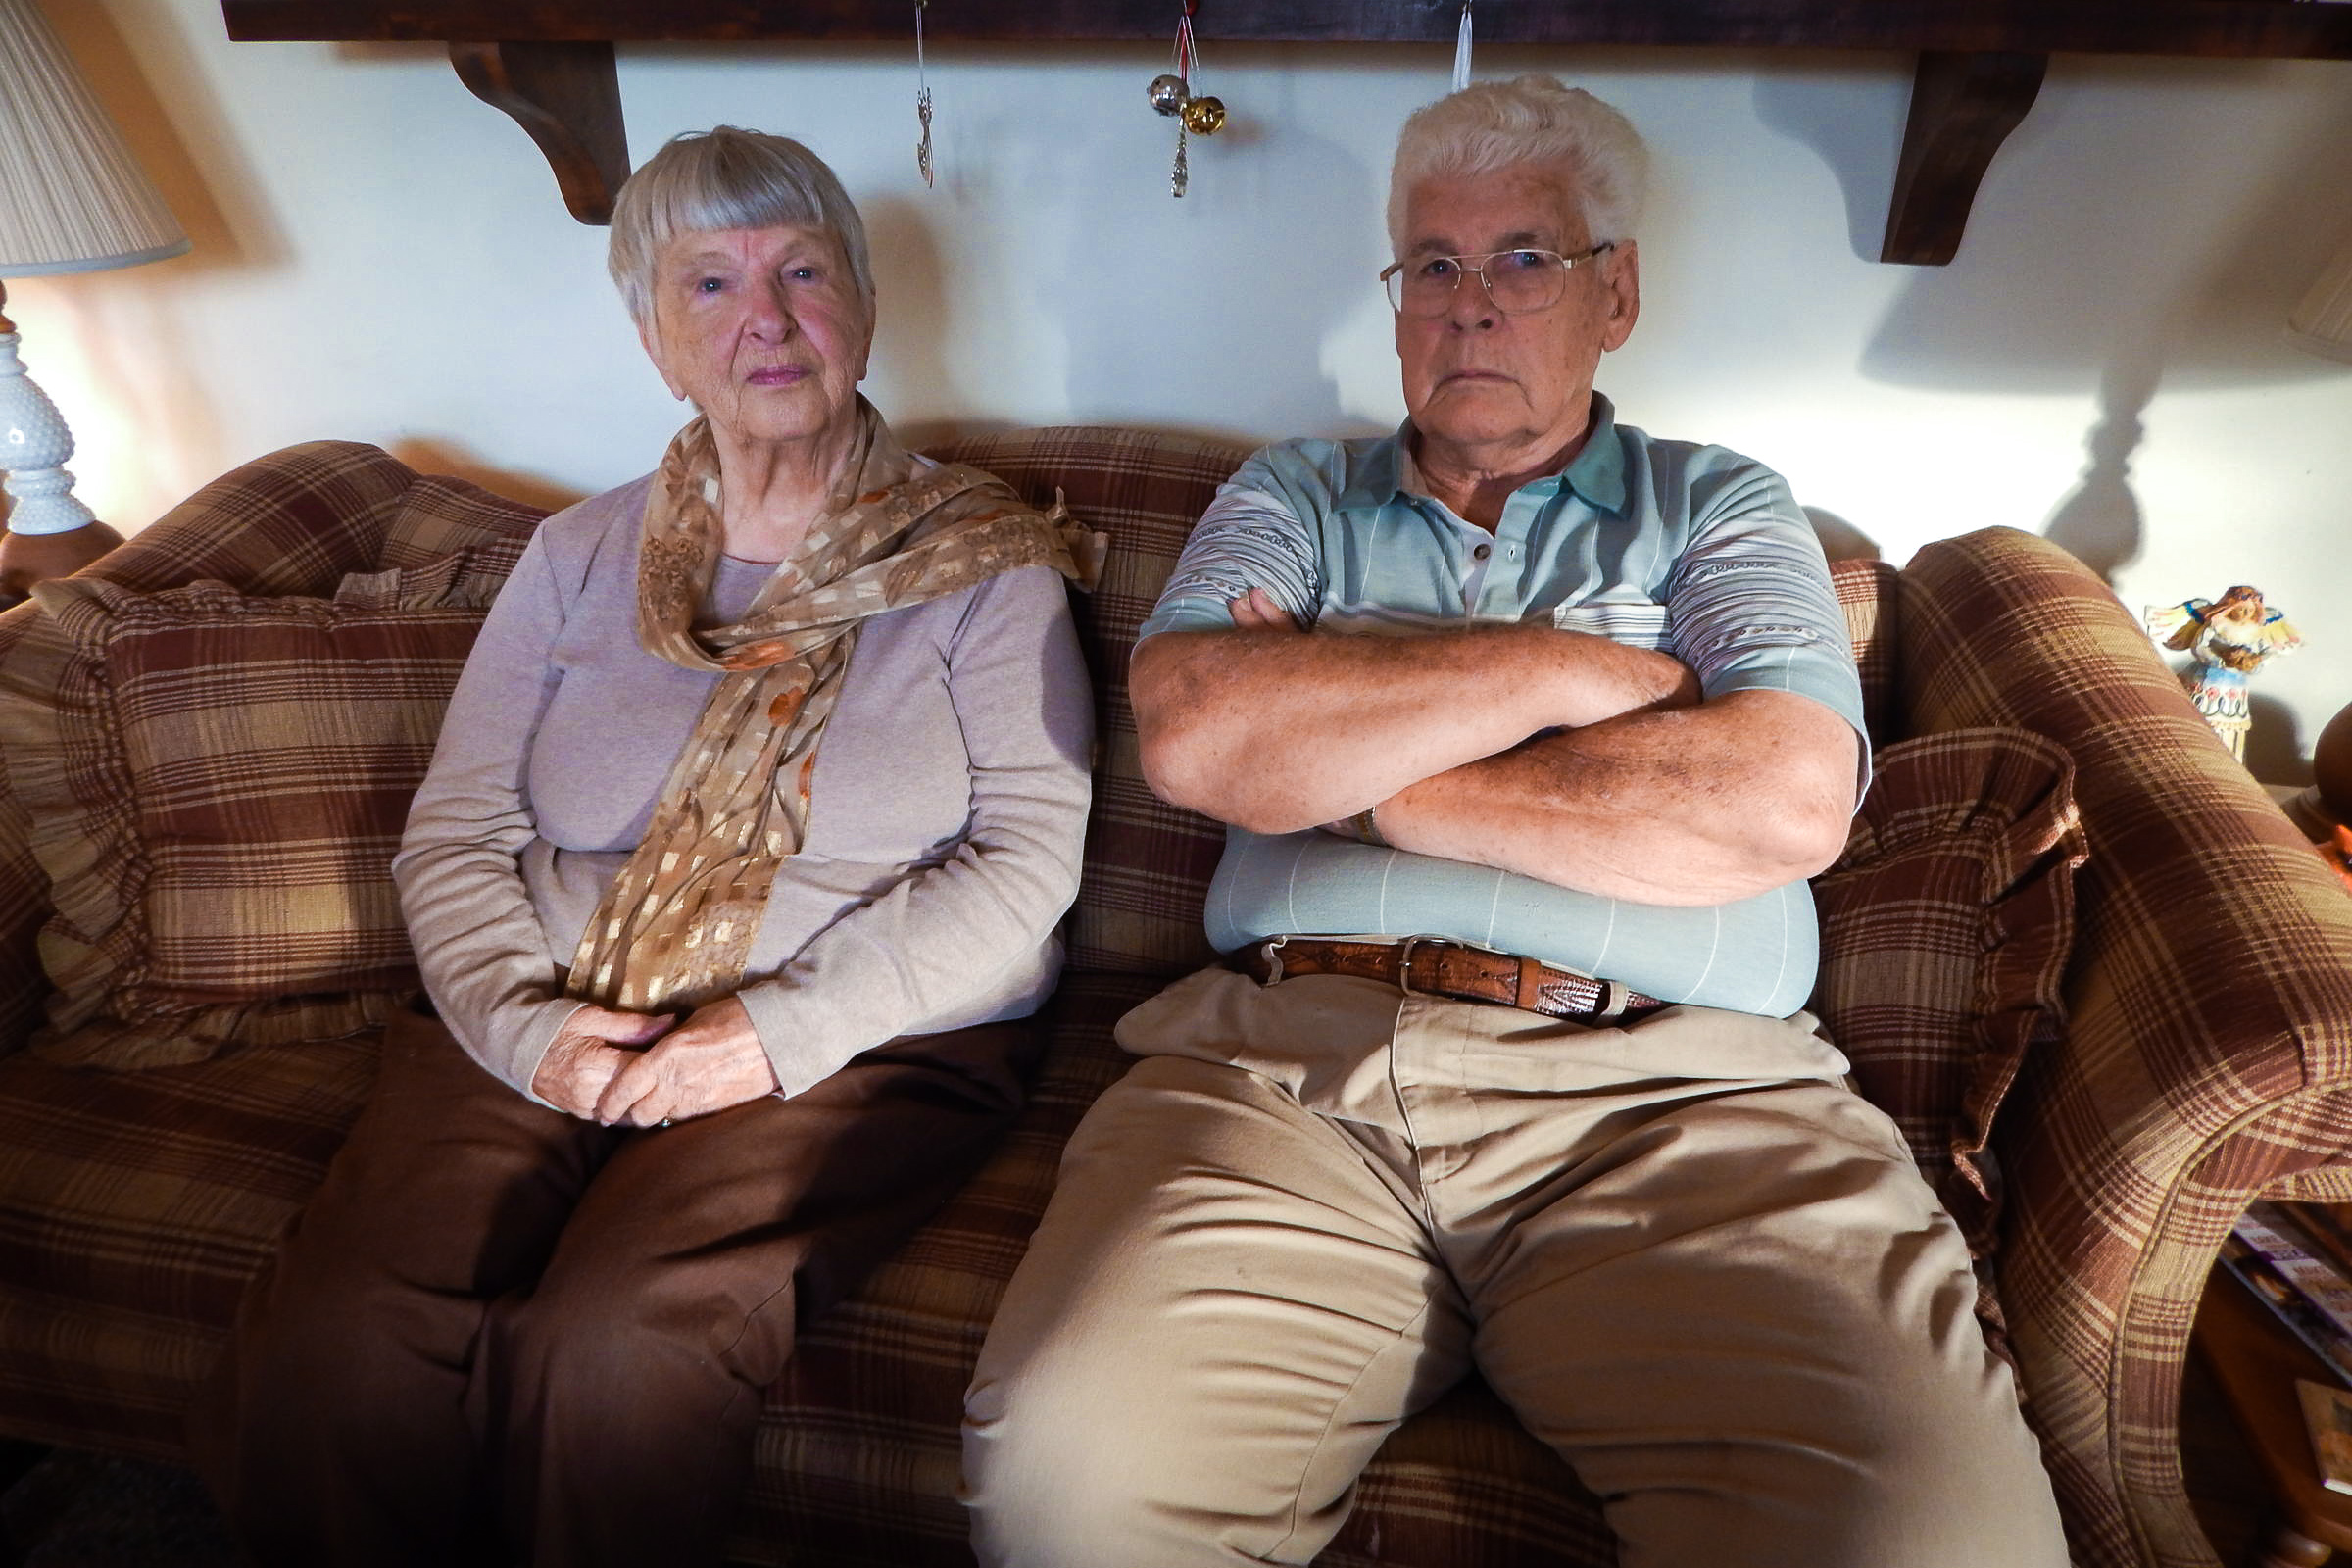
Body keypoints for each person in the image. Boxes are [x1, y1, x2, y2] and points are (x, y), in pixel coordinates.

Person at [961, 76, 2070, 1568]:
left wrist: (1370, 770)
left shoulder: (1720, 509)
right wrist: (1573, 676)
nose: (1470, 305)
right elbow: (1202, 732)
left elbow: (1789, 794)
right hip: (1286, 1079)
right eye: (1432, 264)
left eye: (1524, 258)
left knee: (1925, 1539)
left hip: (1679, 1102)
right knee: (1071, 1482)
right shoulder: (1295, 490)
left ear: (1615, 291)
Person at [192, 126, 1097, 1568]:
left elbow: (1027, 863)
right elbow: (460, 831)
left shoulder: (984, 561)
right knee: (344, 1340)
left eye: (805, 271)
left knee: (615, 1350)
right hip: (549, 1004)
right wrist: (525, 1032)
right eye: (712, 283)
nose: (769, 317)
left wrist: (770, 1035)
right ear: (655, 340)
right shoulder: (576, 557)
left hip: (853, 1041)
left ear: (861, 306)